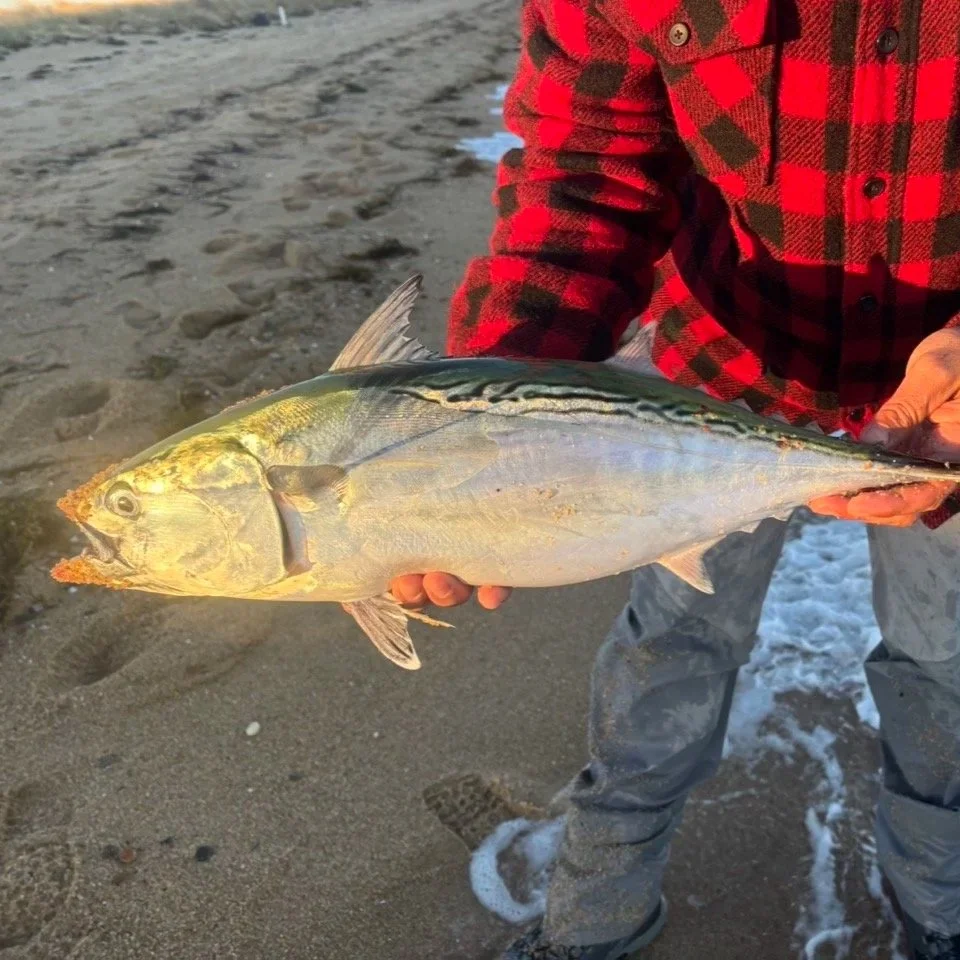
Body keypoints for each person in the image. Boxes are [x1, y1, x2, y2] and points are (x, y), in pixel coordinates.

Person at [391, 3, 960, 958]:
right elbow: (588, 162)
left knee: (943, 662)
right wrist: (492, 423)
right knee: (674, 639)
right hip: (719, 374)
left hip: (950, 409)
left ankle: (940, 913)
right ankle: (596, 915)